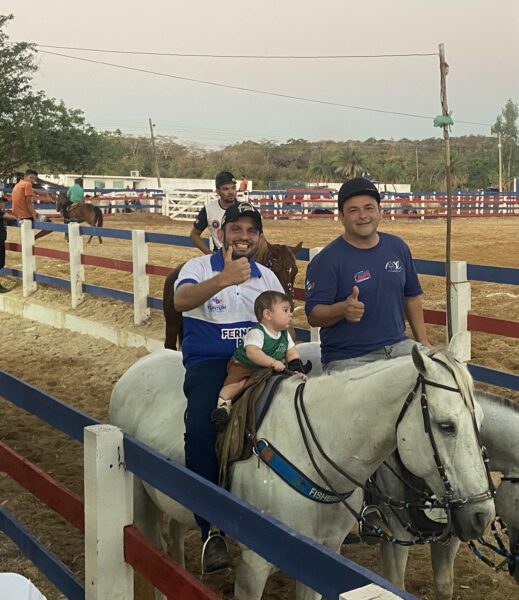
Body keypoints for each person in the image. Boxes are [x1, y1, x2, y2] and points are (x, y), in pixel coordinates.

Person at [173, 201, 284, 573]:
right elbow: (180, 300)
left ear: (258, 237)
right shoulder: (198, 267)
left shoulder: (267, 277)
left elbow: (283, 324)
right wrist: (224, 279)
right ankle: (210, 530)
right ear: (221, 232)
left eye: (252, 230)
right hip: (210, 363)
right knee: (202, 428)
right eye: (236, 228)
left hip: (260, 364)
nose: (244, 236)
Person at [304, 177, 430, 373]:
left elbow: (412, 297)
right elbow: (313, 316)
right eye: (353, 210)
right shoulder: (327, 260)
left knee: (443, 378)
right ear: (341, 217)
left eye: (369, 208)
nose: (363, 215)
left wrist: (422, 342)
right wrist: (342, 309)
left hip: (399, 347)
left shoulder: (397, 247)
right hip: (349, 357)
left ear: (380, 212)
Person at [214, 290, 306, 425]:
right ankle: (223, 407)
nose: (290, 314)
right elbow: (253, 353)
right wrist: (273, 362)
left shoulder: (284, 335)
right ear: (268, 314)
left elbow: (291, 352)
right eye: (285, 310)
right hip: (245, 366)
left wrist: (297, 368)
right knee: (236, 385)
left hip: (268, 368)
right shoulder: (257, 332)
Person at [189, 171, 240, 254]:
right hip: (220, 258)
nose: (231, 192)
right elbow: (194, 235)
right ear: (218, 191)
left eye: (233, 188)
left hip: (243, 257)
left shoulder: (246, 207)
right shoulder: (208, 210)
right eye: (226, 189)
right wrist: (210, 254)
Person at [11, 170, 50, 239]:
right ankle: (34, 238)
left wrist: (46, 192)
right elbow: (28, 202)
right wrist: (34, 214)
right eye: (31, 178)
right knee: (50, 225)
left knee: (27, 235)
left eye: (34, 179)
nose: (33, 180)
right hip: (26, 214)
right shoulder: (28, 184)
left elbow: (33, 190)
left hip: (17, 214)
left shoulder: (19, 184)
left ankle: (31, 239)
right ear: (25, 177)